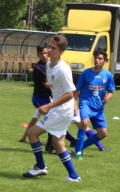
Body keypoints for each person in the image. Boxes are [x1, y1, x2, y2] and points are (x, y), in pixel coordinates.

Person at [22, 35, 81, 182]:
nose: (49, 50)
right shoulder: (49, 66)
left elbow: (70, 94)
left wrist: (49, 106)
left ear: (61, 51)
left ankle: (40, 166)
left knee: (32, 133)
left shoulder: (63, 69)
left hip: (61, 111)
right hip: (59, 109)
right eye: (50, 46)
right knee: (58, 143)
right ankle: (73, 176)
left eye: (53, 48)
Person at [19, 43, 77, 153]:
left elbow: (69, 93)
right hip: (40, 98)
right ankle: (53, 146)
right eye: (42, 53)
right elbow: (46, 84)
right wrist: (57, 85)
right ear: (38, 55)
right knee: (50, 122)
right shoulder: (39, 67)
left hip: (51, 99)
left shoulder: (56, 66)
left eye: (46, 52)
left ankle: (56, 146)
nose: (45, 55)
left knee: (50, 122)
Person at [72, 49, 115, 159]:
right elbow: (77, 90)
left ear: (104, 61)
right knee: (84, 123)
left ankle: (78, 147)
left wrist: (107, 98)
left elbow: (111, 92)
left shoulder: (108, 75)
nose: (97, 60)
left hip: (98, 107)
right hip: (85, 104)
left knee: (103, 133)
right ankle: (78, 154)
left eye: (100, 58)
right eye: (95, 58)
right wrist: (74, 103)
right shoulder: (86, 73)